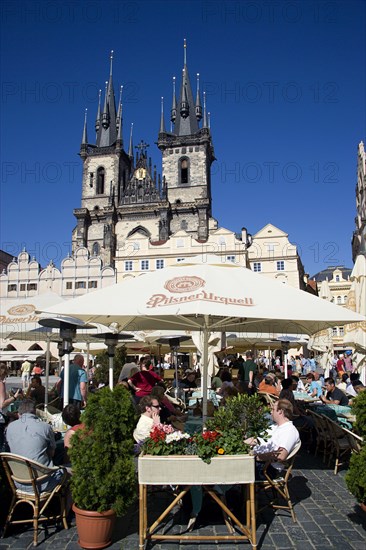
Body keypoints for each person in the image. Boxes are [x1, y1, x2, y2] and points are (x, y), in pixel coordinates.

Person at [6, 399, 67, 491]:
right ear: (34, 412)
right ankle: (67, 505)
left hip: (18, 481)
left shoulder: (10, 428)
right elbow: (51, 454)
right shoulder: (45, 427)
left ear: (19, 413)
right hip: (42, 482)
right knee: (69, 470)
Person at [246, 399, 300, 478]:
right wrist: (240, 444)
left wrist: (256, 457)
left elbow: (281, 455)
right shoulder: (274, 427)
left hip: (267, 469)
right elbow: (256, 440)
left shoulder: (289, 431)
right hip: (256, 461)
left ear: (280, 411)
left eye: (273, 409)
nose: (271, 412)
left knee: (233, 468)